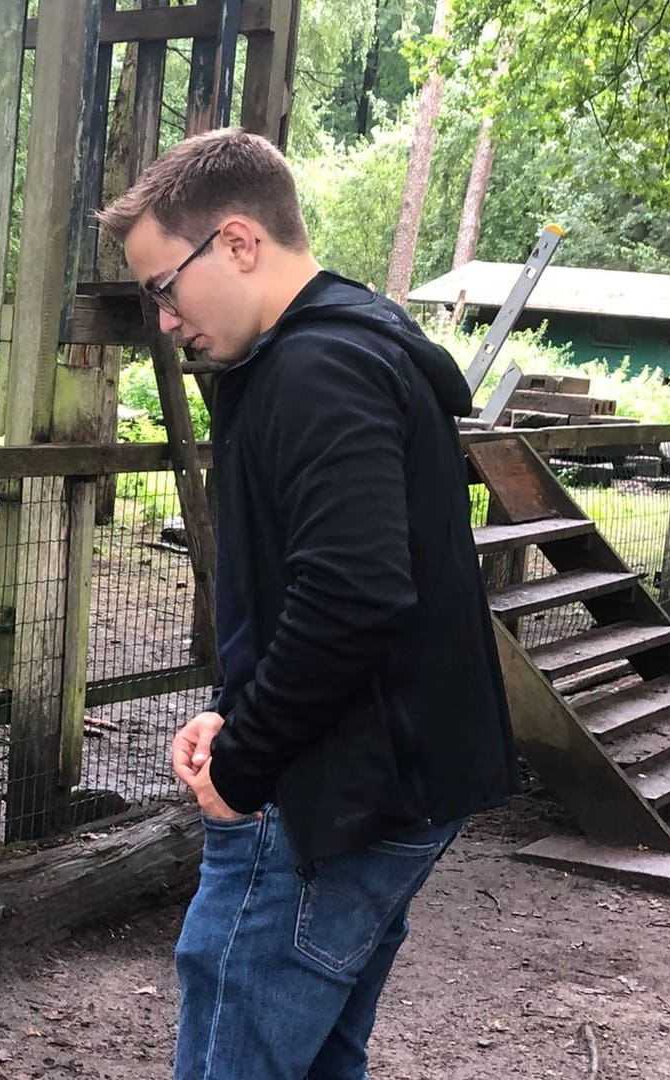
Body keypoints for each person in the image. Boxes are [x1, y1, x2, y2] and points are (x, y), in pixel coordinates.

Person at [96, 128, 519, 1079]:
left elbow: (353, 596)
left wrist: (245, 762)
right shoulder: (353, 344)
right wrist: (236, 706)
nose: (163, 320)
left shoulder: (317, 370)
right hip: (390, 769)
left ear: (238, 243)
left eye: (164, 287)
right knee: (320, 1052)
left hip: (337, 792)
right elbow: (321, 579)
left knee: (232, 1044)